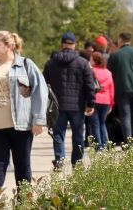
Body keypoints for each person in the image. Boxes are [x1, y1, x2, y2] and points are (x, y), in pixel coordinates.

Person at [0, 31, 47, 191]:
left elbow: (40, 91)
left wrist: (38, 120)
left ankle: (23, 203)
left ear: (9, 46)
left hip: (20, 126)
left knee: (22, 167)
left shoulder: (26, 65)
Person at [43, 32, 95, 169]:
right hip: (77, 106)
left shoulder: (51, 63)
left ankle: (59, 160)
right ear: (74, 45)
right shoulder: (83, 63)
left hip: (57, 105)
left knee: (58, 134)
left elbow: (44, 85)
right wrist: (91, 103)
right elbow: (90, 85)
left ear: (62, 44)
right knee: (78, 135)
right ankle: (77, 162)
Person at [90, 51, 114, 150]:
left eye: (91, 59)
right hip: (106, 101)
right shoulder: (108, 72)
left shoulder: (91, 71)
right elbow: (112, 89)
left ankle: (99, 146)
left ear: (94, 60)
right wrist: (111, 104)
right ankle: (105, 143)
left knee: (95, 124)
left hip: (95, 99)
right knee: (102, 123)